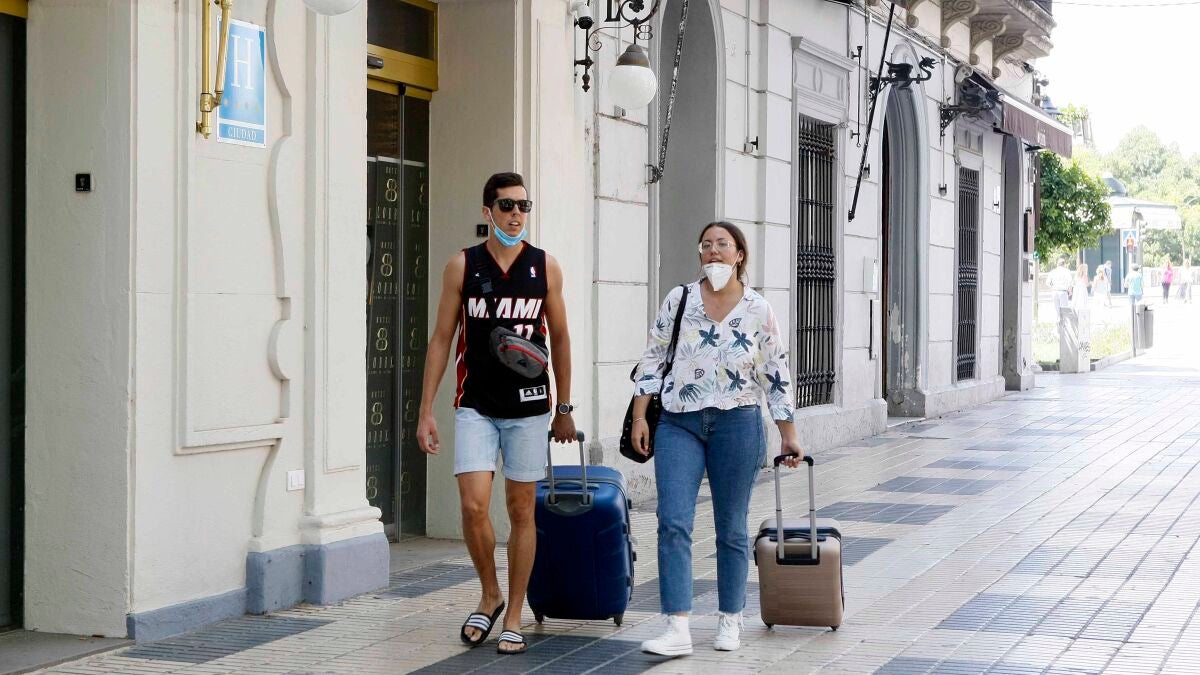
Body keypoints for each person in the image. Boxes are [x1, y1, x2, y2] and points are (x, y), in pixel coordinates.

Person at [416, 172, 577, 655]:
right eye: (507, 206)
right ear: (488, 211)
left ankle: (513, 615)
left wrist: (564, 408)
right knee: (472, 505)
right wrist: (425, 410)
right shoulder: (462, 266)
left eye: (523, 206)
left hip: (528, 408)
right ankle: (490, 592)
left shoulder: (544, 266)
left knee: (521, 509)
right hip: (476, 404)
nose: (516, 215)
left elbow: (561, 339)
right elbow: (441, 338)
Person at [630, 221, 804, 656]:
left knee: (731, 526)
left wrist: (788, 433)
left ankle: (730, 617)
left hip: (738, 423)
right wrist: (640, 416)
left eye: (722, 245)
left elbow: (775, 371)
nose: (713, 251)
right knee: (673, 521)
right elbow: (652, 358)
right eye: (706, 244)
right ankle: (677, 626)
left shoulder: (758, 308)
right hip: (678, 423)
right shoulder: (680, 299)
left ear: (739, 254)